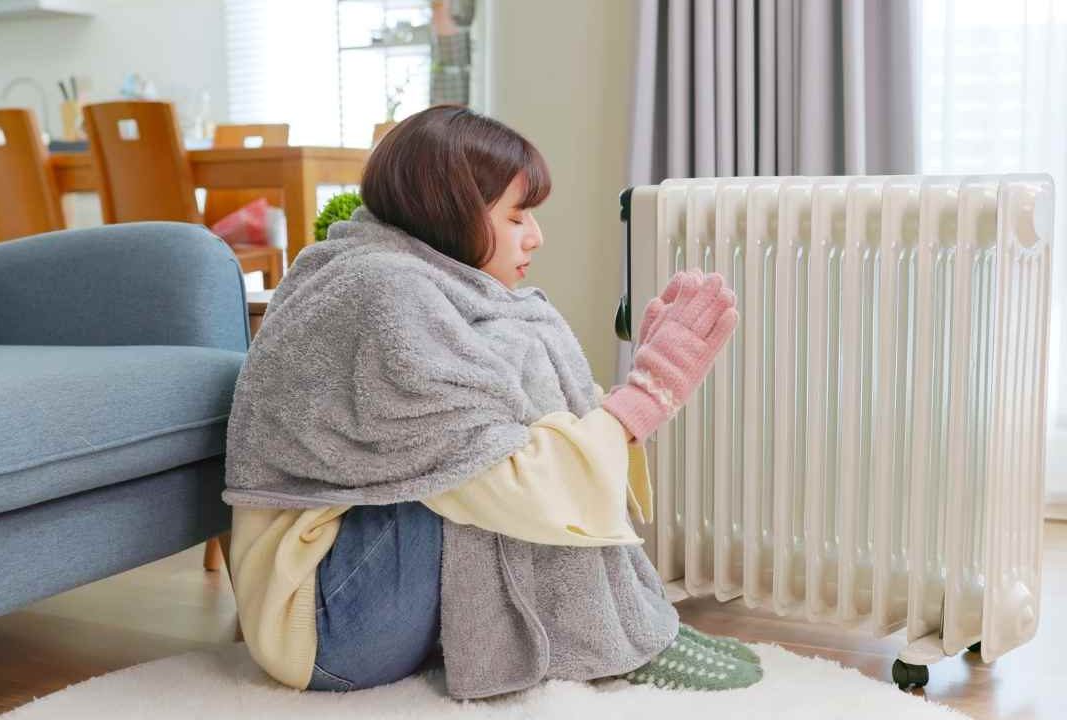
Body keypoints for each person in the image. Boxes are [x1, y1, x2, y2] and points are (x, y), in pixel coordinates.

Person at [223, 105, 759, 696]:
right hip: (324, 626)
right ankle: (605, 640)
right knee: (487, 460)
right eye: (516, 215)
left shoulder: (411, 278)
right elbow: (507, 480)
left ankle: (621, 622)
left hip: (356, 592)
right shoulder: (383, 294)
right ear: (450, 213)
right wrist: (647, 395)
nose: (536, 235)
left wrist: (630, 403)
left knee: (500, 418)